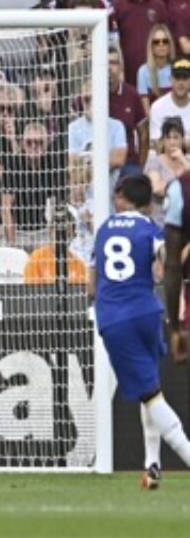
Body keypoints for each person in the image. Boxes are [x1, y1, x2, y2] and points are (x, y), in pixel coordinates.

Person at [94, 175, 190, 490]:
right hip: (148, 312)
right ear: (148, 202)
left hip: (116, 319)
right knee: (151, 388)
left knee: (149, 395)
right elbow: (166, 265)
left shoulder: (104, 229)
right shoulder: (150, 230)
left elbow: (90, 283)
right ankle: (152, 465)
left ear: (121, 196)